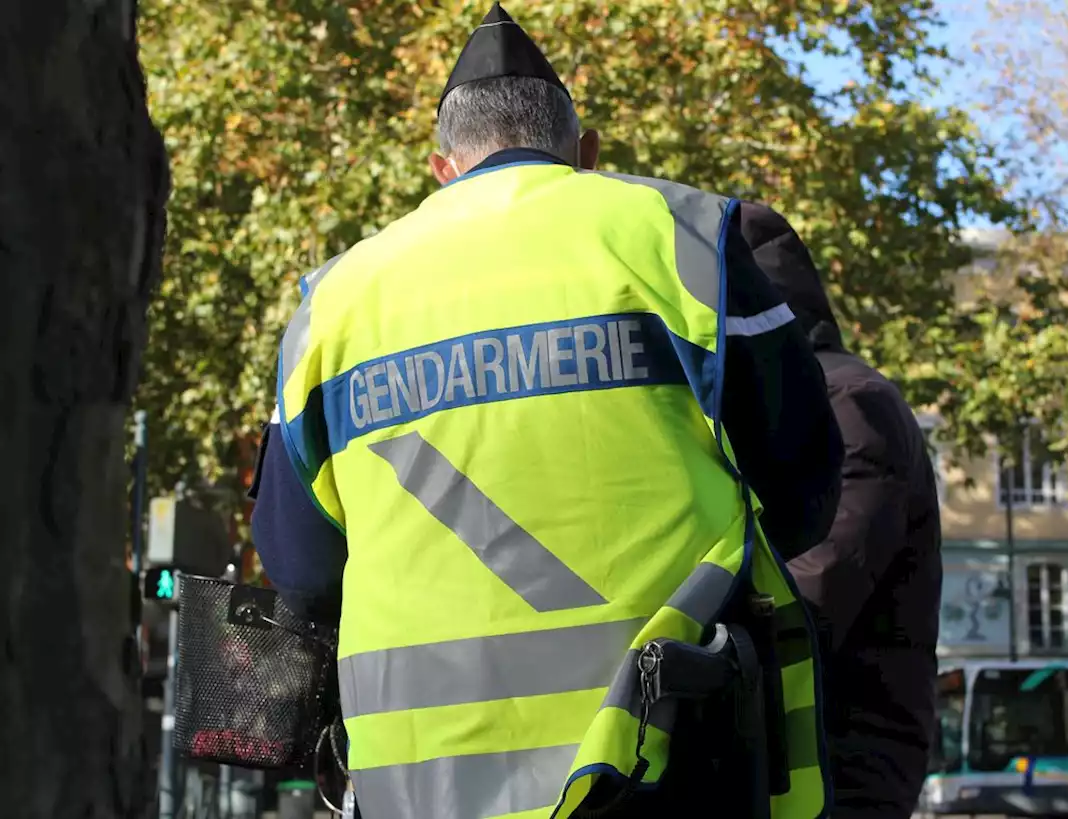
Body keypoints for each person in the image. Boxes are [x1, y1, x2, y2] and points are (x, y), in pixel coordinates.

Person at [248, 5, 844, 819]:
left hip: (414, 788)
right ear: (586, 154)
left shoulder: (335, 302)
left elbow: (302, 571)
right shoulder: (682, 239)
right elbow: (803, 489)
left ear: (441, 168)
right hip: (659, 760)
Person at [739, 202, 943, 819]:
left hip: (840, 767)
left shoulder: (849, 402)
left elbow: (813, 595)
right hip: (813, 761)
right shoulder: (811, 399)